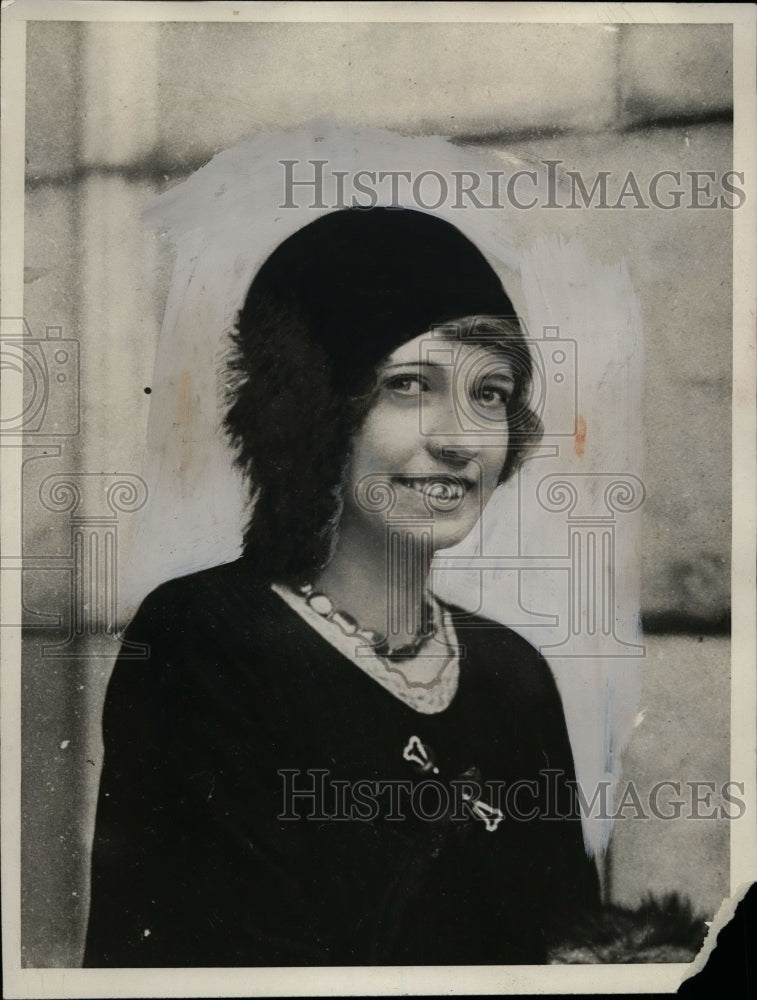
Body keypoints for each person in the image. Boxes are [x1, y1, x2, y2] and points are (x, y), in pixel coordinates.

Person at [83, 207, 600, 967]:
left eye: (490, 392)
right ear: (314, 409)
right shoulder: (209, 638)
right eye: (409, 385)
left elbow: (574, 949)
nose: (460, 439)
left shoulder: (512, 675)